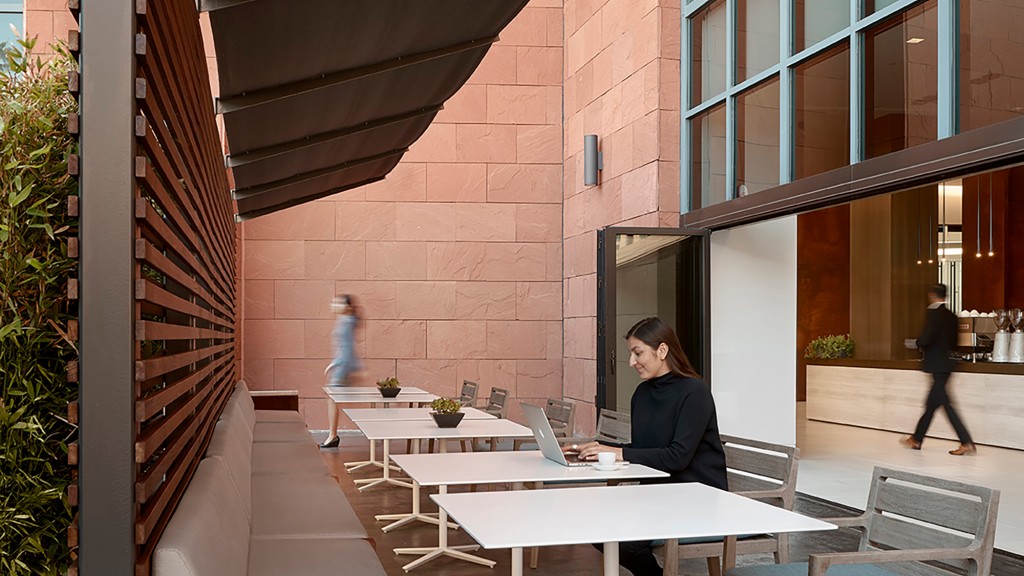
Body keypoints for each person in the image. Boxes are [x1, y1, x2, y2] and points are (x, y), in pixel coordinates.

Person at [568, 317, 728, 576]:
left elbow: (677, 458)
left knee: (620, 537)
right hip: (658, 498)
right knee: (594, 524)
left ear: (662, 350)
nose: (632, 362)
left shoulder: (694, 393)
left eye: (637, 353)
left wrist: (618, 453)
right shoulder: (642, 394)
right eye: (631, 354)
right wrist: (595, 449)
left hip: (697, 500)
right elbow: (644, 448)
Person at [902, 284, 976, 456]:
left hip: (936, 364)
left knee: (946, 404)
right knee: (931, 404)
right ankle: (917, 438)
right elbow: (954, 341)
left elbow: (928, 337)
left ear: (932, 295)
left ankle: (966, 441)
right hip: (948, 364)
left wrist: (915, 343)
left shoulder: (933, 313)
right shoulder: (952, 316)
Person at [320, 294, 362, 449]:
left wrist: (335, 364)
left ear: (347, 307)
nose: (333, 305)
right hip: (343, 366)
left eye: (338, 303)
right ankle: (332, 435)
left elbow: (348, 348)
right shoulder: (344, 321)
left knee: (333, 399)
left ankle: (332, 436)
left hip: (343, 367)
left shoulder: (347, 322)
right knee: (333, 399)